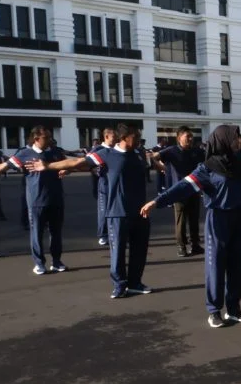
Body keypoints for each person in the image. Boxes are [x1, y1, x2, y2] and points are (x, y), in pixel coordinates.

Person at [142, 125, 241, 328]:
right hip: (218, 219)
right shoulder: (207, 168)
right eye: (235, 138)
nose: (239, 141)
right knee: (216, 266)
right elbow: (183, 187)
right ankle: (214, 310)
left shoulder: (238, 164)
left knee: (237, 265)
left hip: (239, 219)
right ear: (223, 141)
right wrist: (157, 202)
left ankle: (233, 308)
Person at [31, 123, 152, 298]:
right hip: (117, 212)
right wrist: (48, 166)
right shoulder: (106, 154)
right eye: (136, 136)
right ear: (124, 137)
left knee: (139, 251)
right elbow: (78, 161)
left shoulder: (139, 154)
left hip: (140, 211)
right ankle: (119, 285)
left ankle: (135, 283)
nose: (140, 139)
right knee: (117, 252)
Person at [0, 126, 68, 274]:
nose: (50, 139)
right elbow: (3, 166)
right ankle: (39, 263)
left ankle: (57, 262)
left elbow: (69, 164)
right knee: (36, 233)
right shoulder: (24, 154)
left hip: (56, 199)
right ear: (36, 138)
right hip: (37, 201)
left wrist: (66, 169)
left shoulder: (56, 152)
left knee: (56, 233)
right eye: (47, 137)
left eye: (50, 137)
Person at [152, 126, 205, 258]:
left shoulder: (197, 151)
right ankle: (181, 246)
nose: (190, 139)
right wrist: (162, 167)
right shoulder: (171, 151)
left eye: (191, 136)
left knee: (194, 218)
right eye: (187, 137)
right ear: (179, 138)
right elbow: (154, 157)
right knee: (181, 220)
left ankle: (195, 245)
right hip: (179, 191)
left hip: (194, 190)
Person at [91, 129, 115, 246]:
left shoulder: (116, 149)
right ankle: (103, 234)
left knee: (115, 210)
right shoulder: (98, 149)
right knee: (104, 210)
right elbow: (88, 163)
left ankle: (113, 232)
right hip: (104, 185)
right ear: (106, 136)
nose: (116, 139)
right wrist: (95, 170)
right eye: (113, 137)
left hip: (116, 184)